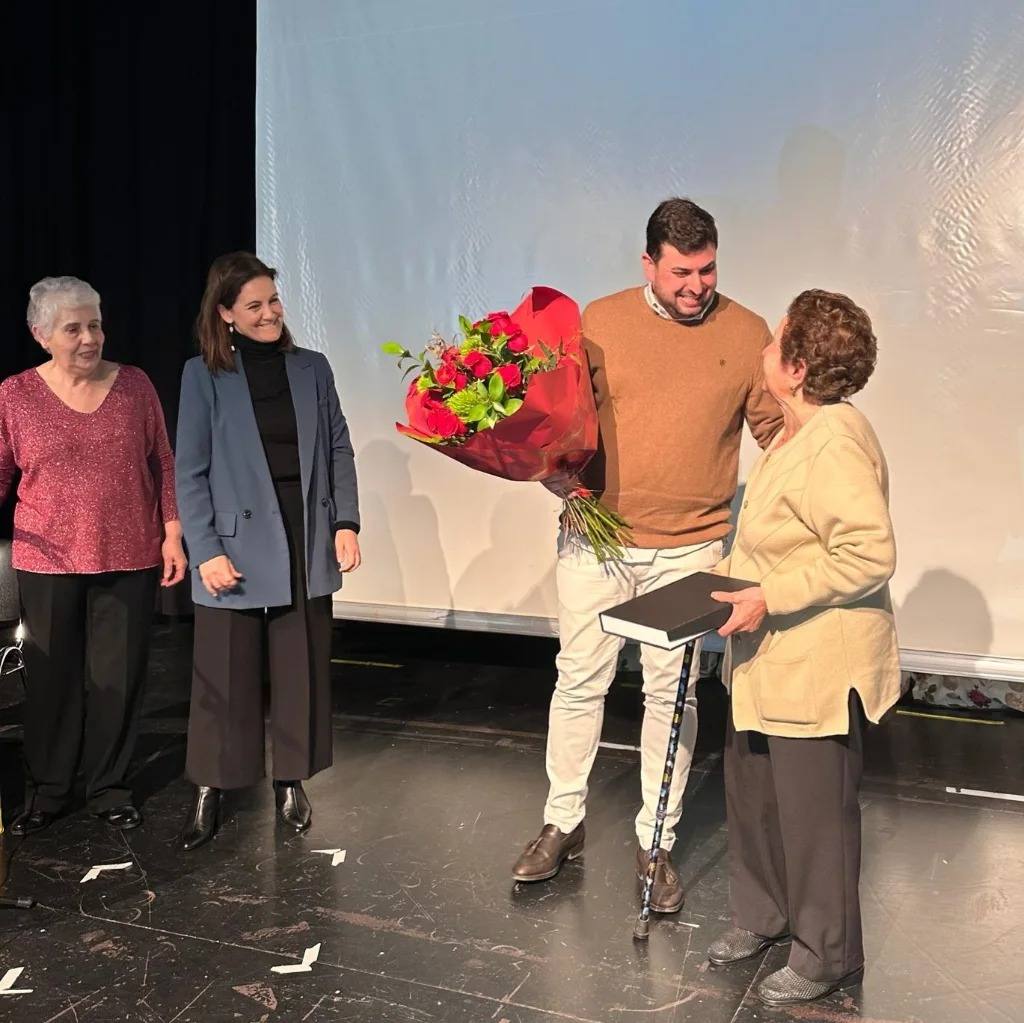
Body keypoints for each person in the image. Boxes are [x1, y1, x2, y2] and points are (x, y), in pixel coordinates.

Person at [512, 199, 783, 911]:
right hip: (597, 537)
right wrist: (549, 469)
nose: (697, 285)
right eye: (681, 272)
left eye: (708, 269)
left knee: (674, 693)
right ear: (648, 264)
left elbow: (776, 435)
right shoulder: (598, 322)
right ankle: (561, 821)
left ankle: (655, 840)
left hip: (691, 547)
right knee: (579, 681)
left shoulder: (747, 330)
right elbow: (555, 420)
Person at [705, 290, 901, 1006]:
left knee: (814, 816)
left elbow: (868, 552)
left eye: (775, 336)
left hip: (815, 661)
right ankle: (764, 916)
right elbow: (774, 540)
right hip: (765, 655)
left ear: (793, 365)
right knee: (754, 794)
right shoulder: (793, 431)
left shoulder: (835, 438)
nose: (763, 344)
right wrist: (717, 585)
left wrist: (769, 596)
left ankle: (828, 952)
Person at [175, 252, 360, 851]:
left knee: (298, 667)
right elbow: (190, 471)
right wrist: (205, 549)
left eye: (273, 302)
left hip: (303, 534)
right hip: (229, 543)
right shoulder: (202, 375)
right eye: (252, 305)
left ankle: (290, 779)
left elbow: (338, 449)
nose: (268, 314)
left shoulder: (312, 368)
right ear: (225, 313)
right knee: (223, 676)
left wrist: (346, 522)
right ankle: (211, 785)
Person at [0, 276, 186, 835]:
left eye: (95, 324)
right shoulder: (15, 394)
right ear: (41, 335)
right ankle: (50, 790)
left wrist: (172, 533)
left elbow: (165, 464)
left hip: (128, 555)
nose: (89, 338)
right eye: (73, 328)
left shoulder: (135, 386)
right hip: (46, 558)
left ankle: (109, 786)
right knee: (51, 681)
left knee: (117, 679)